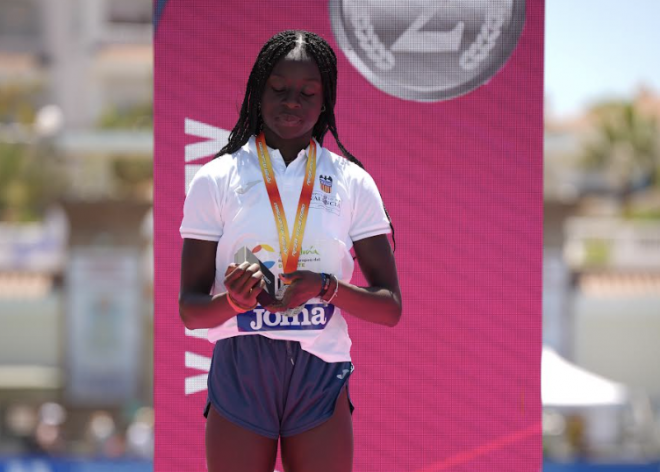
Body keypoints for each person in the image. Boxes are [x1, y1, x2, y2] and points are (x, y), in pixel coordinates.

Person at [179, 30, 402, 472]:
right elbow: (190, 310)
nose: (292, 102)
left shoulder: (352, 182)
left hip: (320, 368)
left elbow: (389, 307)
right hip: (242, 364)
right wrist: (234, 302)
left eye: (308, 92)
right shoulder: (216, 178)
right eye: (278, 89)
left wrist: (326, 287)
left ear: (326, 101)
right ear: (258, 92)